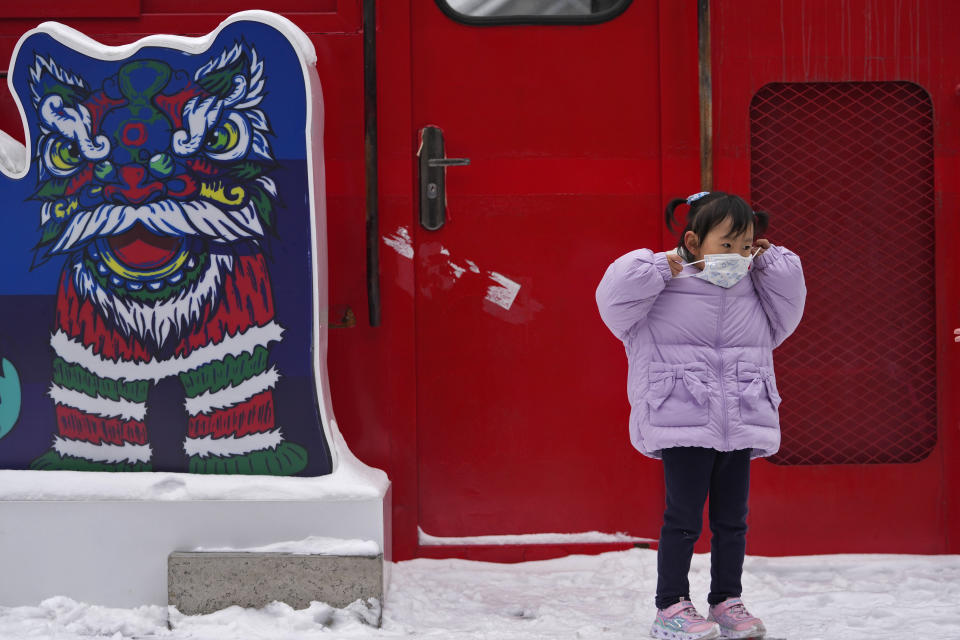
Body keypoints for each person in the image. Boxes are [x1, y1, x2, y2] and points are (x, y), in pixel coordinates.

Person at [595, 191, 806, 640]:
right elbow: (613, 303)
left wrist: (772, 265)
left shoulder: (758, 290)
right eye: (726, 245)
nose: (737, 256)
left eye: (746, 246)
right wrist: (656, 267)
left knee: (733, 521)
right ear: (693, 241)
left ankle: (727, 600)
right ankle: (670, 606)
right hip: (682, 418)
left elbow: (791, 308)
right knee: (683, 519)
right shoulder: (661, 285)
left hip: (740, 419)